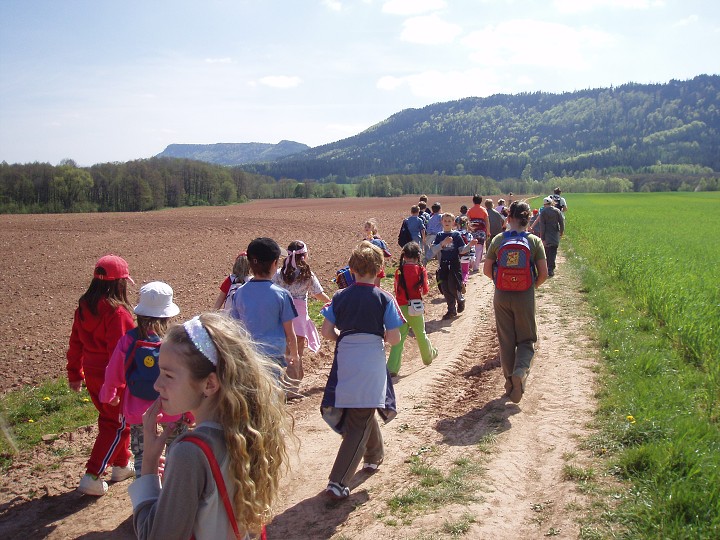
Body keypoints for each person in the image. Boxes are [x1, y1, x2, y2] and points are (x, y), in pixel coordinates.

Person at [129, 312, 293, 539]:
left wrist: (148, 464)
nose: (157, 385)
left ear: (209, 384)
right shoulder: (243, 432)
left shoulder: (189, 453)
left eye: (168, 375)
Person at [319, 241, 404, 500]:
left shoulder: (339, 296)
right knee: (361, 413)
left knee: (361, 408)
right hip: (371, 358)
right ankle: (338, 482)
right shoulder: (384, 298)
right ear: (379, 270)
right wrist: (378, 337)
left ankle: (374, 455)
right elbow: (394, 338)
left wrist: (342, 337)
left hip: (345, 357)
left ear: (352, 269)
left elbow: (326, 331)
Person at [100, 281, 187, 478]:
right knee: (176, 449)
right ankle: (172, 488)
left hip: (138, 411)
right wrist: (189, 410)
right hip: (173, 406)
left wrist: (109, 394)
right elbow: (186, 378)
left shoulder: (129, 339)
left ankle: (144, 490)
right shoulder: (174, 341)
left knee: (142, 455)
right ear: (167, 314)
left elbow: (114, 371)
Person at [66, 254, 136, 496]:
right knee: (115, 424)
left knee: (113, 420)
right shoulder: (118, 313)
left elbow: (75, 342)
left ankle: (122, 464)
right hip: (112, 377)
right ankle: (93, 474)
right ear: (120, 283)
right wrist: (117, 386)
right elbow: (120, 353)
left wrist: (75, 373)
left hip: (93, 375)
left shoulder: (84, 308)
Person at [483, 201, 548, 404]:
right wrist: (530, 286)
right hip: (524, 295)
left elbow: (486, 270)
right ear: (527, 219)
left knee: (506, 342)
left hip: (501, 295)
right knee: (527, 339)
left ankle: (510, 384)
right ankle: (520, 371)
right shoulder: (534, 241)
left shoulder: (498, 240)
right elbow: (544, 273)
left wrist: (501, 283)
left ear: (509, 218)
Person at [229, 237, 299, 382]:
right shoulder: (282, 295)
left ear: (250, 263)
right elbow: (290, 332)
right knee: (272, 388)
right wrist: (295, 354)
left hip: (249, 355)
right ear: (274, 264)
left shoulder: (239, 293)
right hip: (273, 356)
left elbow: (235, 327)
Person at [273, 240, 331, 395]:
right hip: (299, 316)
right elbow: (318, 293)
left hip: (283, 314)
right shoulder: (307, 274)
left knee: (287, 349)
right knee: (297, 350)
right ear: (304, 255)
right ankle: (293, 385)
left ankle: (286, 383)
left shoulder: (279, 274)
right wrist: (331, 302)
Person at [387, 242, 438, 376]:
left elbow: (396, 290)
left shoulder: (399, 271)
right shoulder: (421, 270)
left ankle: (392, 368)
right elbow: (425, 290)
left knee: (399, 338)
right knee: (420, 334)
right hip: (416, 307)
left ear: (404, 256)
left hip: (401, 308)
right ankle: (428, 357)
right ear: (418, 256)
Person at [429, 213, 478, 320]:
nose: (447, 223)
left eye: (449, 221)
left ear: (453, 223)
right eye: (445, 221)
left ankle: (460, 299)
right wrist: (442, 243)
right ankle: (451, 310)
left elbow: (461, 250)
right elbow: (434, 250)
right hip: (443, 264)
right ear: (441, 222)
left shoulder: (456, 235)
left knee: (453, 286)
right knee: (445, 288)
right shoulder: (439, 236)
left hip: (455, 264)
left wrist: (470, 245)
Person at [533, 197, 565, 277]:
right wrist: (561, 232)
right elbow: (561, 223)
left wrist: (542, 238)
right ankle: (551, 269)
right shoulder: (557, 211)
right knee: (553, 251)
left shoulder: (543, 212)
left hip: (546, 235)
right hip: (555, 234)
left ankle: (547, 268)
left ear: (544, 204)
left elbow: (542, 226)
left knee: (547, 252)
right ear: (552, 203)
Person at [363, 218, 392, 287]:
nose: (366, 228)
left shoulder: (377, 239)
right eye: (365, 227)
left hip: (376, 264)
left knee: (376, 285)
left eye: (368, 227)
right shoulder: (365, 239)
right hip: (368, 264)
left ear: (373, 228)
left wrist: (371, 241)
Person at [466, 194, 489, 270]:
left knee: (472, 248)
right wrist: (488, 232)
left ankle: (471, 263)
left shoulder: (470, 210)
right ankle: (476, 266)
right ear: (481, 201)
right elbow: (487, 222)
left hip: (472, 231)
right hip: (481, 232)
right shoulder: (484, 210)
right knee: (479, 249)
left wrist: (468, 230)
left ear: (473, 201)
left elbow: (467, 221)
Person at [456, 215, 475, 284]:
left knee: (456, 271)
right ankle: (463, 282)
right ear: (468, 224)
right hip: (466, 256)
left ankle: (457, 283)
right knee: (465, 272)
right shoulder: (469, 235)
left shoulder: (455, 234)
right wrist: (472, 258)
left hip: (456, 256)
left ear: (458, 224)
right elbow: (471, 247)